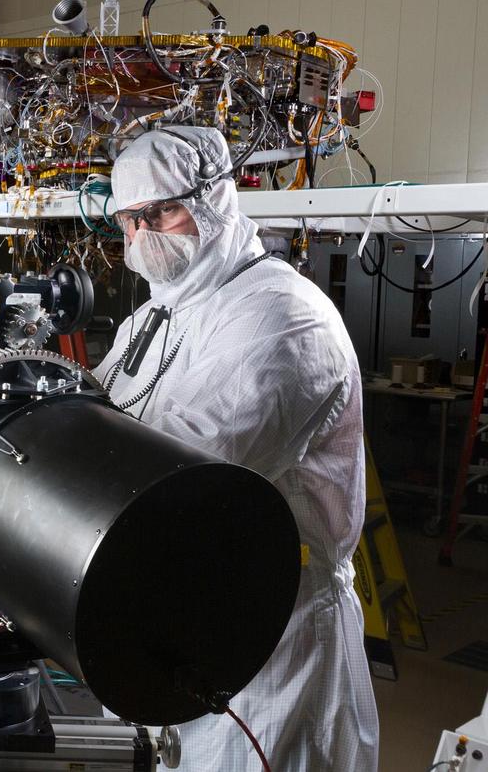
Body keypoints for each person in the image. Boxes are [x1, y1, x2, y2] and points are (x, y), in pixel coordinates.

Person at [95, 127, 378, 770]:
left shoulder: (282, 315)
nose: (142, 235)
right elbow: (95, 415)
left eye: (160, 212)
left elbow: (184, 477)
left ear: (214, 201)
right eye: (129, 220)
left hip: (274, 637)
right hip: (178, 617)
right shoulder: (154, 316)